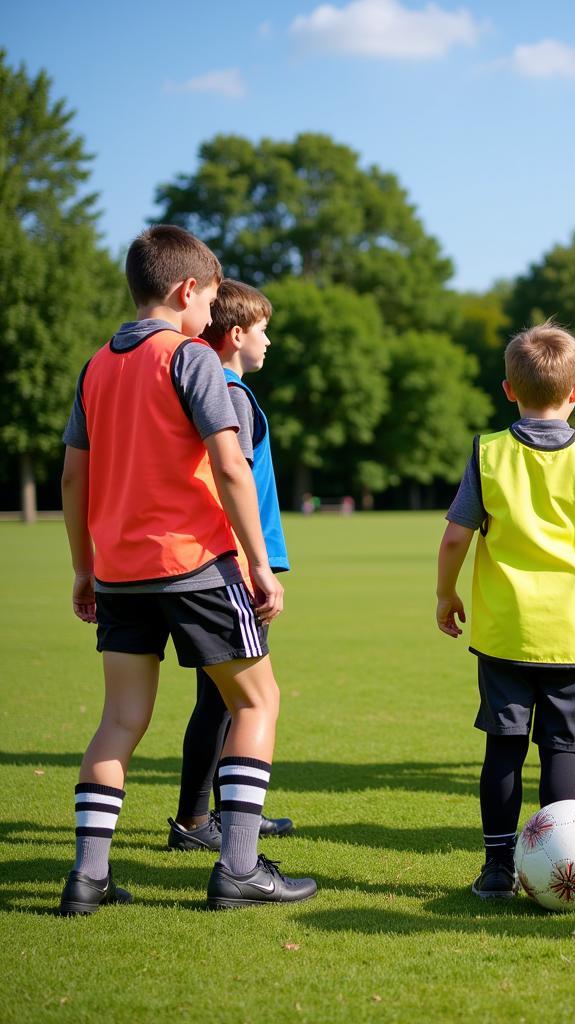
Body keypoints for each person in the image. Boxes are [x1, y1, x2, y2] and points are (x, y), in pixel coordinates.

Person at [59, 225, 315, 913]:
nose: (212, 319)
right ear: (186, 290)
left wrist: (84, 569)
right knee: (256, 701)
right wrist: (260, 566)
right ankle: (237, 869)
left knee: (120, 720)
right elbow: (230, 464)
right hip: (196, 565)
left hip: (117, 573)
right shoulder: (191, 358)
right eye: (208, 302)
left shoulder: (96, 366)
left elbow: (72, 479)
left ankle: (87, 878)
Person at [436, 322, 575, 900]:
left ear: (509, 389)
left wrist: (445, 594)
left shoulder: (489, 453)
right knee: (562, 751)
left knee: (503, 749)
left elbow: (455, 538)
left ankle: (498, 869)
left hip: (508, 633)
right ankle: (557, 869)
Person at [167, 279, 294, 852]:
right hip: (234, 561)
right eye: (264, 330)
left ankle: (219, 812)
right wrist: (254, 563)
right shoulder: (230, 393)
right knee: (231, 697)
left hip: (226, 559)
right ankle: (199, 821)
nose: (270, 342)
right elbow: (228, 481)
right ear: (238, 334)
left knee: (219, 697)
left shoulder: (218, 388)